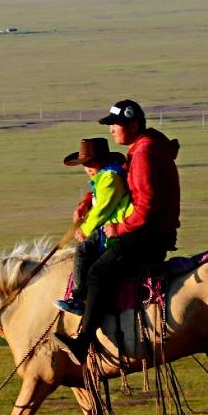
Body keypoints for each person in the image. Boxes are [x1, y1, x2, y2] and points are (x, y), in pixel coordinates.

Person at [55, 99, 181, 366]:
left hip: (148, 234)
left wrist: (118, 228)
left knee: (99, 272)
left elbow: (146, 207)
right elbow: (112, 180)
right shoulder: (142, 148)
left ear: (133, 125)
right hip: (147, 230)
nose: (112, 130)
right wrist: (87, 201)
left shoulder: (145, 153)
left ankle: (83, 341)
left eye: (116, 124)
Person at [56, 137, 132, 316]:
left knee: (83, 251)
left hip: (114, 227)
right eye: (84, 164)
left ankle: (78, 299)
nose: (86, 168)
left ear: (101, 161)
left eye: (89, 163)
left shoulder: (110, 178)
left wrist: (85, 229)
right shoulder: (105, 176)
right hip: (109, 225)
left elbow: (102, 209)